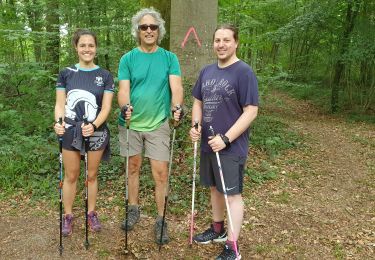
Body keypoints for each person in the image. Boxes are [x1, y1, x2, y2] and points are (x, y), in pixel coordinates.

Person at [189, 24, 259, 260]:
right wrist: (195, 125)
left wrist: (226, 138)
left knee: (232, 194)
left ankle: (232, 246)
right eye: (217, 40)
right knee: (214, 189)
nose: (221, 45)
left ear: (236, 42)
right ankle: (217, 230)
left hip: (231, 147)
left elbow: (251, 111)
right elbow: (198, 101)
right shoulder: (207, 71)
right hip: (209, 144)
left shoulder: (244, 72)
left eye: (226, 40)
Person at [117, 7, 183, 245]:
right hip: (131, 123)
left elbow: (176, 87)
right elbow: (123, 90)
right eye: (143, 27)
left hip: (158, 123)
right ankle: (133, 208)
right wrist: (125, 107)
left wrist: (177, 107)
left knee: (161, 173)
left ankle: (161, 219)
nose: (148, 30)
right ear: (137, 30)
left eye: (153, 27)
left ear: (159, 31)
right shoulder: (128, 59)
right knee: (132, 167)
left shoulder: (169, 58)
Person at [54, 29, 114, 236]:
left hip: (96, 131)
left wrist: (95, 125)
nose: (87, 49)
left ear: (95, 48)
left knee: (92, 174)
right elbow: (60, 104)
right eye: (83, 45)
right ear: (76, 48)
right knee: (71, 175)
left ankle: (91, 212)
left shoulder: (105, 75)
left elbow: (106, 108)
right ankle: (68, 216)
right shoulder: (66, 73)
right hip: (71, 130)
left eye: (91, 45)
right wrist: (58, 122)